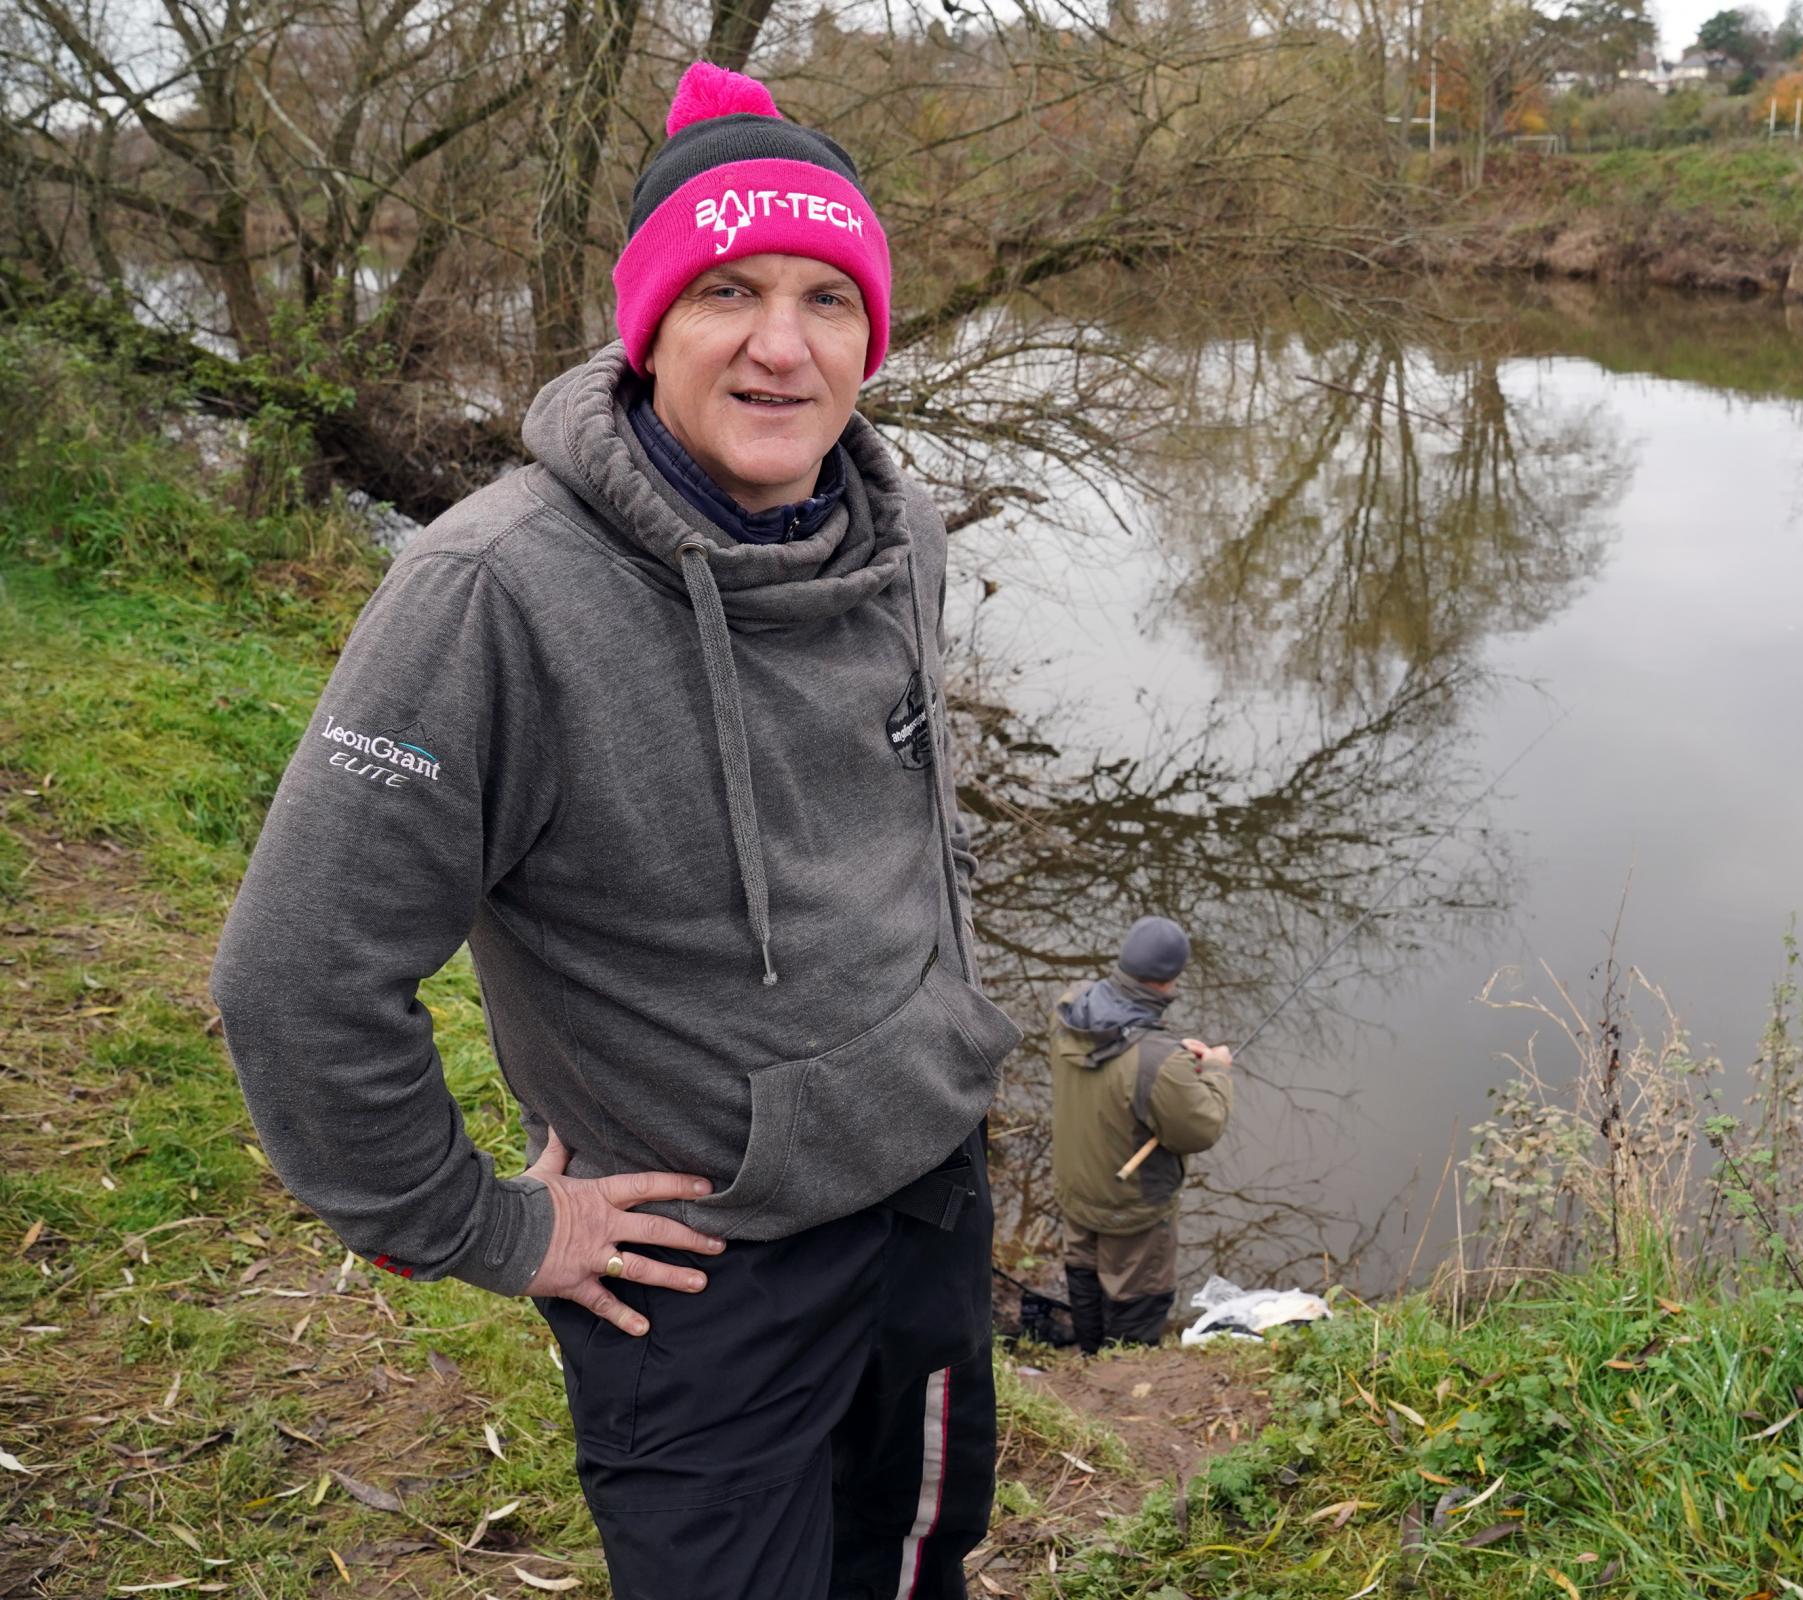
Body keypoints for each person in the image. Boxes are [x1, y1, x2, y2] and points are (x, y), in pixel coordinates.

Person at [209, 61, 1022, 1600]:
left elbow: (909, 805)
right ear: (645, 325)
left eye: (826, 299)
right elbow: (297, 978)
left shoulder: (894, 523)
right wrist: (482, 1226)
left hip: (927, 1182)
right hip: (695, 1270)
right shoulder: (492, 592)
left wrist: (949, 1026)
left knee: (918, 1554)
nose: (783, 347)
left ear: (875, 332)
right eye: (727, 291)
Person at [1046, 916, 1235, 1352]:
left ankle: (1090, 1360)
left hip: (1075, 1187)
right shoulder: (1157, 1061)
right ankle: (1121, 1380)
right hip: (1133, 1207)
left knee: (1084, 1276)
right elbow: (1200, 1127)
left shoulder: (1070, 1010)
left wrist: (1167, 1058)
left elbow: (1115, 1071)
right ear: (1172, 978)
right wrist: (1215, 1071)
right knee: (1136, 1300)